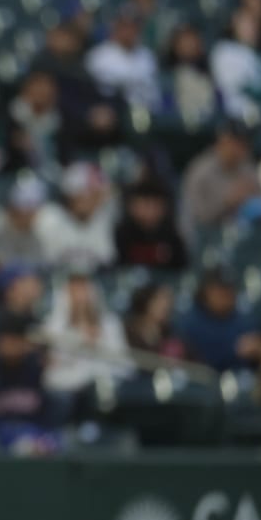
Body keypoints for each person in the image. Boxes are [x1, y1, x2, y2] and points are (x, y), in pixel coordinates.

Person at [42, 273, 130, 407]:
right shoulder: (53, 326)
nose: (80, 298)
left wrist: (98, 344)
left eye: (84, 291)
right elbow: (54, 363)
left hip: (104, 384)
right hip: (67, 386)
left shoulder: (110, 324)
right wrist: (79, 340)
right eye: (74, 292)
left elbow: (122, 360)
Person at [179, 122, 261, 244]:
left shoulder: (248, 169)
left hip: (241, 241)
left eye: (242, 144)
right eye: (233, 143)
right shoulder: (201, 172)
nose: (237, 149)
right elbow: (195, 219)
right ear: (221, 142)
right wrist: (227, 202)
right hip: (204, 241)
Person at [178, 268, 261, 373]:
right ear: (206, 291)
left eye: (229, 289)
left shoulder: (245, 321)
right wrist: (236, 350)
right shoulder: (191, 322)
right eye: (221, 290)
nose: (226, 294)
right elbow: (204, 360)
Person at [36, 162, 116, 274]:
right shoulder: (49, 218)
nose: (93, 199)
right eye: (87, 193)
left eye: (96, 194)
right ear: (70, 195)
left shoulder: (105, 218)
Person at [86, 6, 160, 109]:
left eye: (133, 26)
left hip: (146, 110)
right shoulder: (98, 56)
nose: (129, 31)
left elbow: (154, 92)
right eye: (125, 26)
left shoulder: (147, 56)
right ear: (115, 27)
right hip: (114, 110)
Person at [115, 178, 188, 270]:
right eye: (146, 204)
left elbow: (182, 267)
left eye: (156, 205)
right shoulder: (123, 233)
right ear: (132, 206)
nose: (151, 211)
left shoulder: (172, 235)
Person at [0, 176, 47, 269]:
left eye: (32, 211)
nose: (29, 216)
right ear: (12, 208)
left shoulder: (37, 234)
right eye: (24, 211)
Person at [123, 282, 184, 359]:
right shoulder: (128, 331)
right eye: (160, 300)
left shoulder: (172, 336)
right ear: (147, 302)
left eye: (168, 301)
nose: (166, 306)